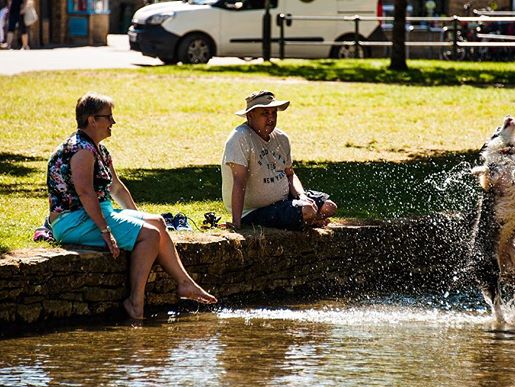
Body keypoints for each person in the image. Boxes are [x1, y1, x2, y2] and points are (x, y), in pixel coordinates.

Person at [47, 92, 217, 320]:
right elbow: (85, 193)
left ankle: (185, 283)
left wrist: (136, 218)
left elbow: (116, 188)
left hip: (96, 212)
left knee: (157, 223)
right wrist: (106, 232)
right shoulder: (81, 150)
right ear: (92, 120)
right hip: (73, 220)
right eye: (108, 117)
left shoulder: (98, 149)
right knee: (149, 235)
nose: (113, 122)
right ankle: (135, 303)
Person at [221, 90, 337, 230]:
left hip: (285, 200)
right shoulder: (240, 138)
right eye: (265, 113)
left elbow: (290, 174)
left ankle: (310, 221)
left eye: (273, 113)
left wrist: (301, 196)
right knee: (307, 211)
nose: (271, 118)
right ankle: (309, 221)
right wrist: (236, 222)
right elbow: (239, 181)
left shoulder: (281, 138)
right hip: (254, 211)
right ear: (250, 115)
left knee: (329, 207)